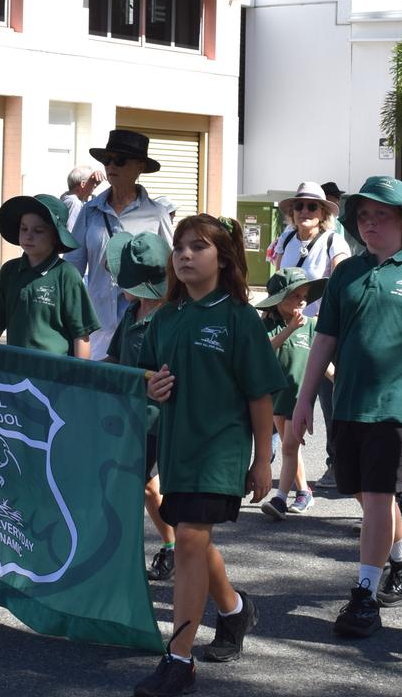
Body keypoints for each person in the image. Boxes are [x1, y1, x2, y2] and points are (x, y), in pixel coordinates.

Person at [291, 175, 402, 639]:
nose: (370, 224)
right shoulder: (346, 274)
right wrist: (303, 402)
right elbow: (324, 340)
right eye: (364, 216)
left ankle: (364, 596)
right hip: (349, 401)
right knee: (360, 490)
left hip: (396, 406)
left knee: (376, 496)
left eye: (382, 215)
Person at [134, 215, 284, 697]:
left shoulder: (238, 317)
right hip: (178, 451)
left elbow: (261, 395)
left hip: (221, 451)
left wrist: (263, 459)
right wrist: (150, 385)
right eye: (179, 247)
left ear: (222, 257)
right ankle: (236, 610)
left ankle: (179, 661)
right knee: (196, 544)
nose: (184, 255)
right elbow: (142, 375)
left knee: (191, 541)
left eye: (198, 247)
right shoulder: (165, 317)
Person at [267, 182, 351, 491]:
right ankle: (275, 461)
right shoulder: (286, 239)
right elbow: (277, 283)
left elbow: (342, 285)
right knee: (282, 397)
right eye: (299, 206)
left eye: (311, 207)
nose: (304, 211)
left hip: (323, 331)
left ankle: (336, 463)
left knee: (331, 401)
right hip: (289, 329)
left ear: (323, 213)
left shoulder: (334, 242)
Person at [105, 231, 176, 581]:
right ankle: (172, 546)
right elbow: (114, 358)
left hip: (158, 420)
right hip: (130, 417)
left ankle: (120, 558)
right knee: (148, 488)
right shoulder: (132, 310)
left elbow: (167, 376)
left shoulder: (168, 318)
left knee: (132, 488)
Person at [66, 130, 174, 361]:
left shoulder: (156, 214)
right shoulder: (89, 211)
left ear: (140, 167)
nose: (111, 165)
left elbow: (171, 269)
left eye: (120, 160)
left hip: (140, 330)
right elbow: (72, 269)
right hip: (96, 328)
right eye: (107, 160)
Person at [0, 195, 99, 358]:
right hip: (16, 372)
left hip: (55, 375)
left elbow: (81, 335)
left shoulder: (67, 275)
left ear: (55, 236)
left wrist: (81, 377)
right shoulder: (8, 271)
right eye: (24, 229)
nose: (28, 236)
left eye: (38, 231)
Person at [255, 268, 328, 519]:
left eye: (304, 296)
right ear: (279, 299)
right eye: (295, 296)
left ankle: (280, 499)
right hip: (277, 398)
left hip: (301, 399)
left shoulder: (311, 326)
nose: (302, 301)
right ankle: (304, 492)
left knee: (289, 447)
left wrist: (341, 381)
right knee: (291, 448)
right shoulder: (268, 325)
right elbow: (262, 351)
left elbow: (323, 362)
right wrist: (288, 329)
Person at [61, 165, 105, 233]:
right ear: (83, 184)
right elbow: (71, 233)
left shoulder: (66, 196)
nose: (95, 185)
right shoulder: (75, 203)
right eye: (93, 181)